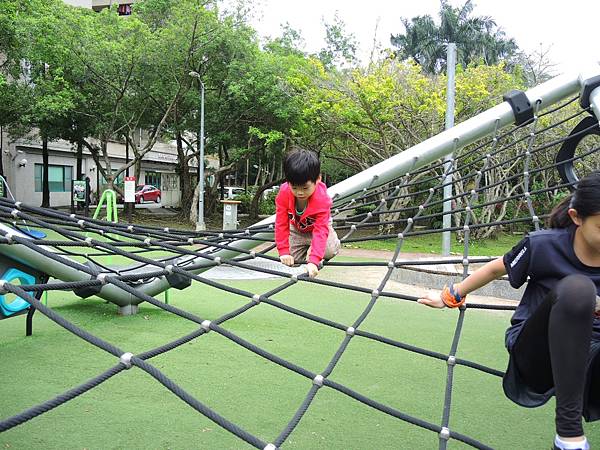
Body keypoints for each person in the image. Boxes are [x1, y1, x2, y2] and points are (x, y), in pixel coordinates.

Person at [418, 171, 600, 450]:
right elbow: (495, 267)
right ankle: (569, 437)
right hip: (538, 353)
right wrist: (451, 295)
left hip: (592, 359)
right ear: (577, 217)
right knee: (578, 289)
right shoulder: (543, 245)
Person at [275, 148, 340, 278]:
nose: (300, 192)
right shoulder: (284, 192)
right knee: (290, 264)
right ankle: (304, 247)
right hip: (297, 228)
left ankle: (332, 242)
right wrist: (283, 251)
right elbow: (281, 223)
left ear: (318, 179)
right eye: (294, 187)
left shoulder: (322, 199)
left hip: (319, 227)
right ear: (288, 182)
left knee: (328, 250)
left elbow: (320, 230)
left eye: (305, 188)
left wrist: (314, 261)